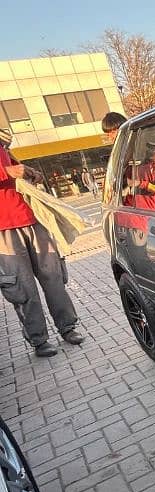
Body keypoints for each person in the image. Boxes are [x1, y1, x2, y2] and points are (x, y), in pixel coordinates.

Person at [0, 128, 84, 357]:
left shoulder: (2, 142)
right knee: (21, 286)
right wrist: (7, 172)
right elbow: (7, 173)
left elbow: (13, 172)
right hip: (4, 228)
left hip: (30, 217)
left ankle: (68, 327)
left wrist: (28, 172)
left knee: (53, 275)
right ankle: (39, 340)